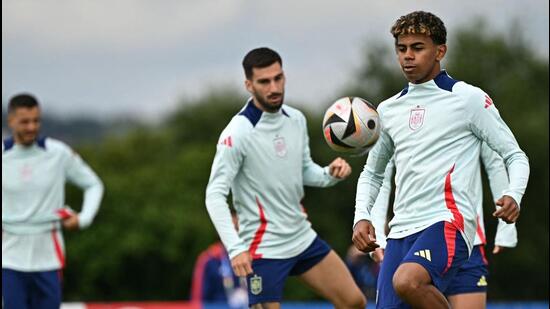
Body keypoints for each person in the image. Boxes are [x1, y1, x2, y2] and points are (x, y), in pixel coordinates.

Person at [351, 11, 529, 309]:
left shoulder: (468, 98)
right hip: (401, 230)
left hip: (448, 222)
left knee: (408, 280)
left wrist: (514, 194)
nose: (408, 56)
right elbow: (373, 173)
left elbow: (514, 155)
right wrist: (362, 216)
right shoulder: (388, 109)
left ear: (440, 51)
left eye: (417, 48)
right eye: (402, 48)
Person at [205, 47, 366, 309]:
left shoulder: (296, 119)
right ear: (249, 85)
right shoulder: (237, 133)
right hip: (262, 248)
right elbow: (214, 195)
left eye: (278, 78)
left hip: (302, 237)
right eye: (264, 81)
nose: (274, 87)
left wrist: (329, 174)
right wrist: (235, 248)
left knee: (354, 302)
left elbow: (302, 171)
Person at [370, 142, 517, 309]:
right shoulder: (393, 117)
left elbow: (495, 163)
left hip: (463, 238)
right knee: (407, 282)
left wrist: (507, 228)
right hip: (410, 238)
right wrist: (378, 234)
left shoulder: (470, 115)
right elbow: (378, 172)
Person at [2, 93, 104, 309]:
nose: (31, 127)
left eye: (36, 120)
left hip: (49, 258)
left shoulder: (58, 153)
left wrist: (83, 219)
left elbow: (94, 184)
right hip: (8, 259)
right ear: (11, 121)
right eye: (25, 121)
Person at [191, 210, 248, 308]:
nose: (234, 235)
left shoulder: (253, 257)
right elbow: (197, 300)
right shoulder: (209, 260)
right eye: (230, 230)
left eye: (237, 229)